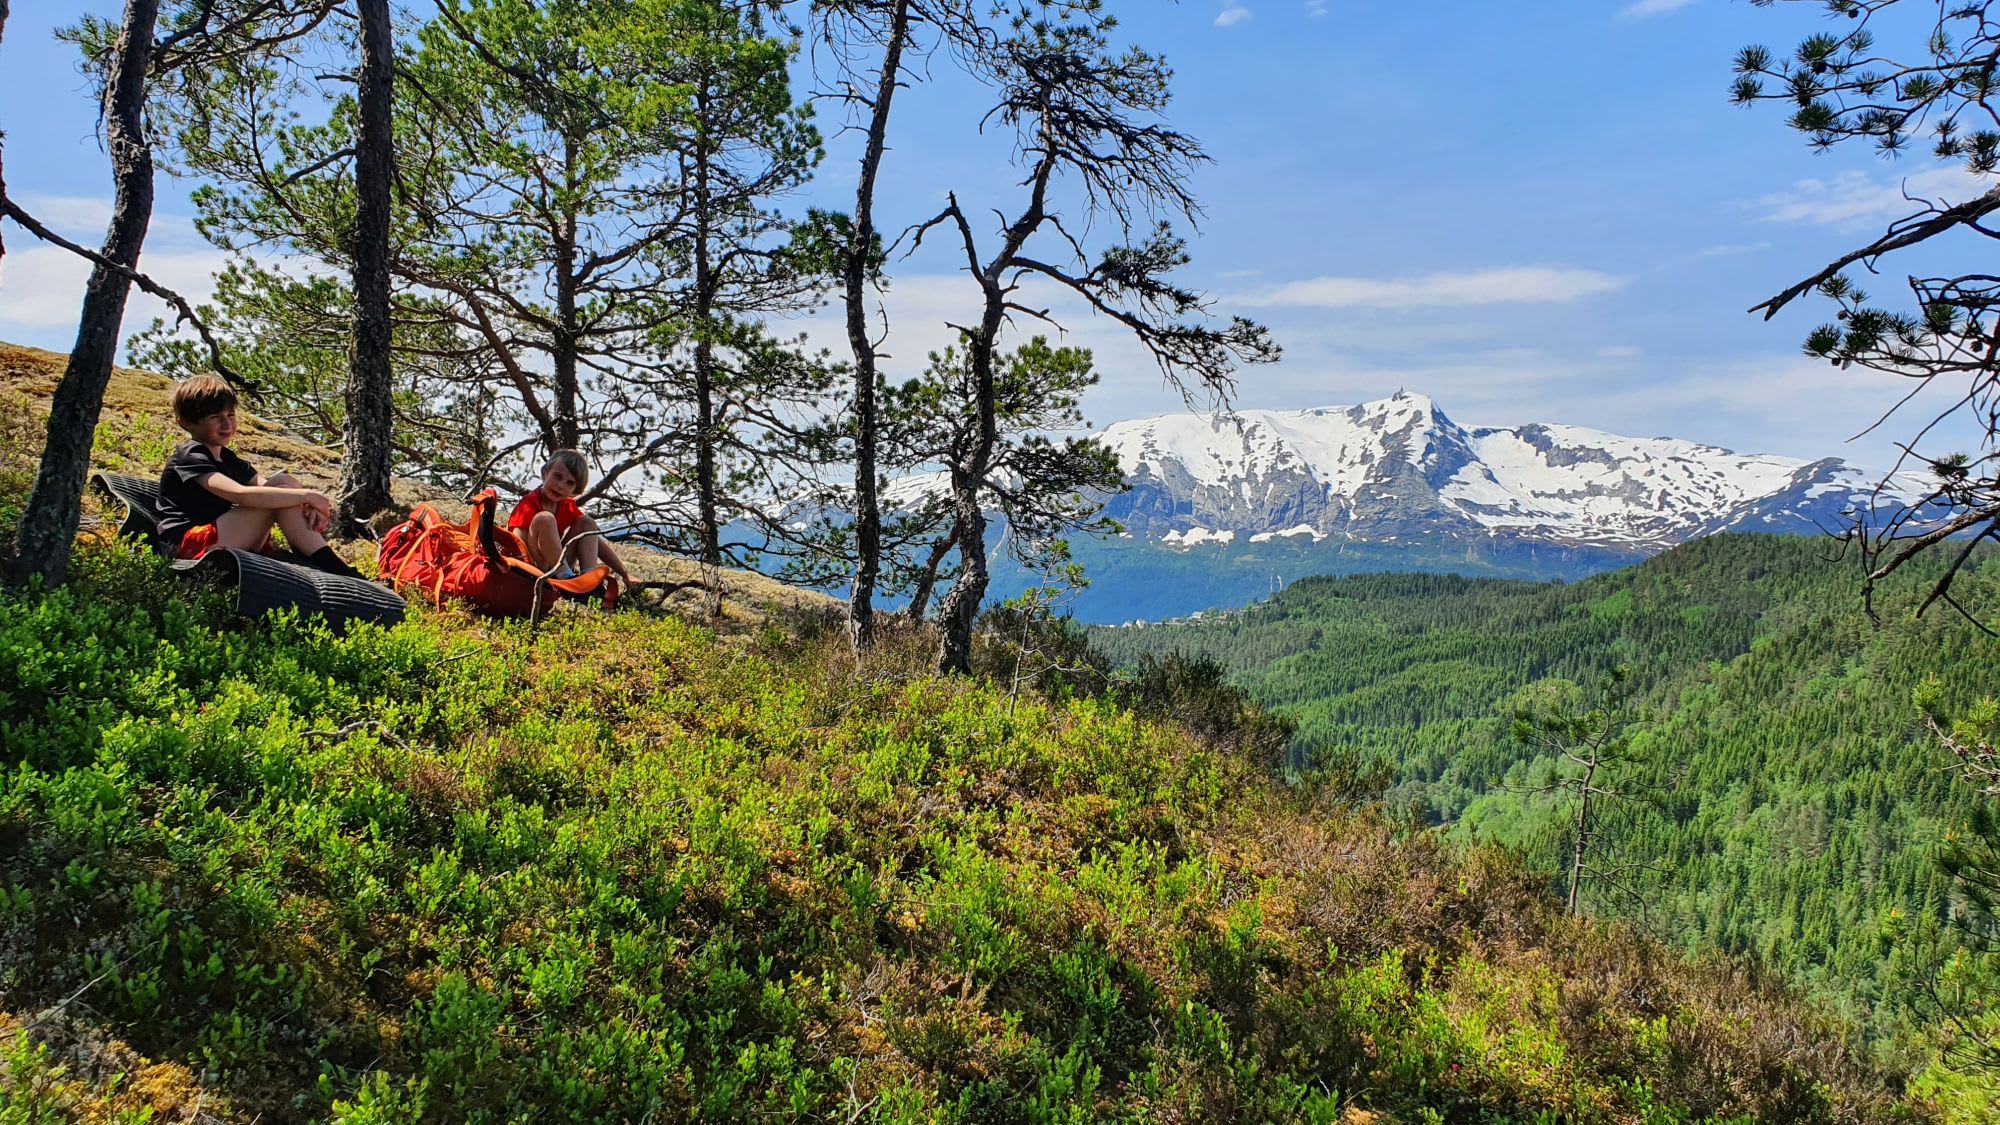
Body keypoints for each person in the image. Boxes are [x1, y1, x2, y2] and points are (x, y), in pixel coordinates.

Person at [155, 374, 363, 578]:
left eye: (230, 415)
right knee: (277, 498)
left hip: (222, 535)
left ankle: (326, 562)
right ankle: (333, 567)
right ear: (187, 423)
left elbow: (271, 487)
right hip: (188, 546)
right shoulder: (190, 456)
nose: (227, 425)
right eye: (215, 418)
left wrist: (305, 501)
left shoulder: (226, 458)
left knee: (284, 483)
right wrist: (307, 496)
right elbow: (240, 494)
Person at [508, 449, 634, 586]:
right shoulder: (529, 504)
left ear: (575, 490)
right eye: (557, 476)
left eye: (570, 483)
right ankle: (567, 579)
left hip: (554, 566)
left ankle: (588, 582)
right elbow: (516, 542)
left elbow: (592, 537)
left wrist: (624, 573)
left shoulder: (567, 506)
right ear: (545, 474)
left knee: (587, 522)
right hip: (531, 567)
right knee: (545, 519)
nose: (561, 485)